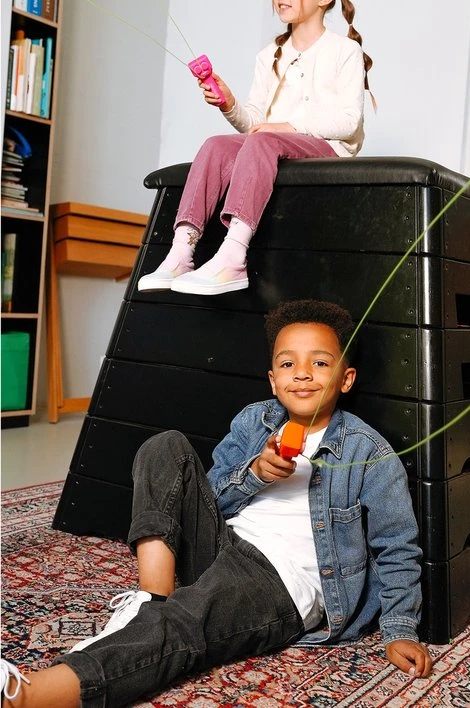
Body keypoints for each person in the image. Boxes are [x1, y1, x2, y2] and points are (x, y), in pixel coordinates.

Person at [1, 299, 432, 707]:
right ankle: (152, 596)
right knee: (164, 445)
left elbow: (396, 548)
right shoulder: (254, 421)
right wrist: (255, 474)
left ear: (346, 379)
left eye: (319, 363)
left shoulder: (368, 452)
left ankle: (28, 696)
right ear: (273, 380)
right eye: (288, 364)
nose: (302, 374)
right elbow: (212, 499)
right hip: (224, 544)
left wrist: (399, 629)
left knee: (185, 623)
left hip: (282, 580)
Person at [137, 0, 374, 296]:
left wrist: (288, 126)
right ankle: (182, 251)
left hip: (326, 151)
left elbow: (349, 121)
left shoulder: (345, 51)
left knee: (264, 140)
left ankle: (233, 255)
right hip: (274, 147)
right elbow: (255, 126)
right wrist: (230, 104)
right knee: (216, 145)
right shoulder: (268, 56)